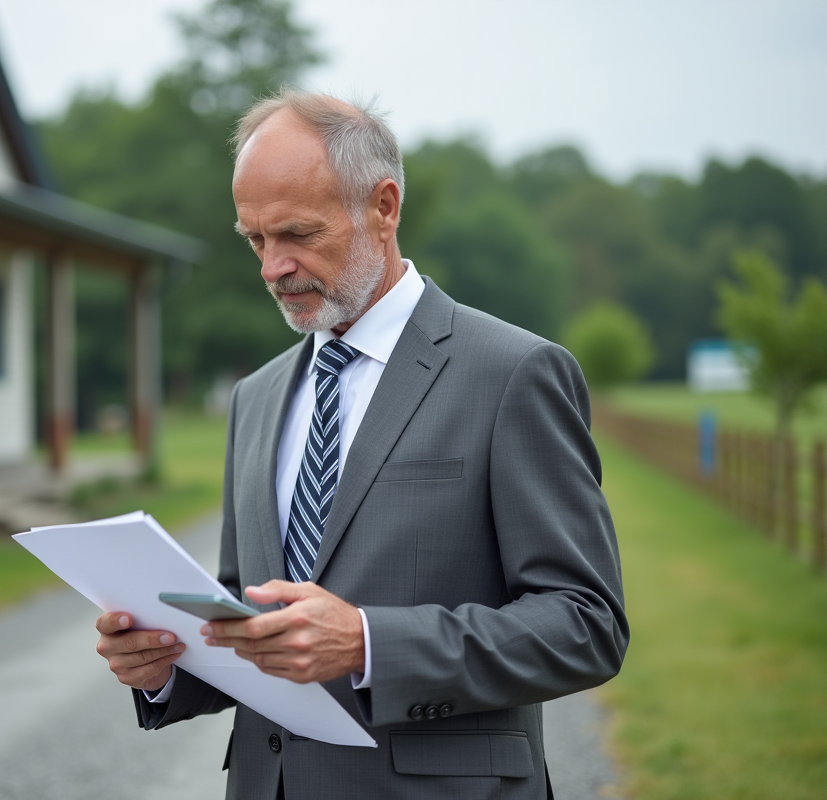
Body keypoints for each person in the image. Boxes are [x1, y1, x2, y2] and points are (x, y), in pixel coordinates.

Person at [94, 90, 628, 800]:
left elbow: (584, 624)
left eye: (296, 234)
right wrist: (166, 668)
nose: (271, 268)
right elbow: (247, 609)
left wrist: (370, 643)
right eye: (254, 239)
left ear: (383, 207)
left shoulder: (513, 374)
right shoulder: (255, 398)